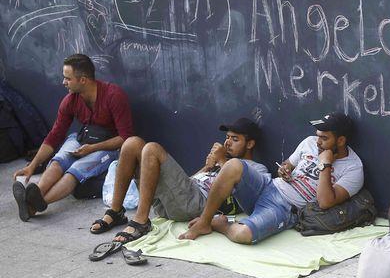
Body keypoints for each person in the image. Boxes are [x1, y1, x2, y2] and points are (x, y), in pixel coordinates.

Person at [178, 111, 363, 244]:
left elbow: (325, 202)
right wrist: (284, 170)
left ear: (340, 140)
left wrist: (326, 165)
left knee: (244, 234)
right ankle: (204, 221)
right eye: (318, 136)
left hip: (284, 207)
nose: (318, 142)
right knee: (233, 165)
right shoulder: (309, 143)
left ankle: (220, 224)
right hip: (268, 186)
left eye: (324, 138)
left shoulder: (354, 169)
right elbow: (287, 164)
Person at [91, 118, 268, 244]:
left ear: (250, 144)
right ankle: (116, 211)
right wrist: (206, 168)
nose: (228, 143)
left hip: (200, 204)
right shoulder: (222, 161)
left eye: (235, 139)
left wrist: (223, 162)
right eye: (227, 137)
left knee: (152, 148)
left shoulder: (257, 170)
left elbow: (245, 199)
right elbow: (189, 183)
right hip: (177, 201)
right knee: (132, 143)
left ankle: (141, 220)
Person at [11, 54, 133, 221]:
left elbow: (125, 138)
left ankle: (34, 204)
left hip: (108, 147)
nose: (63, 82)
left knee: (74, 172)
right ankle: (33, 198)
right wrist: (32, 166)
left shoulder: (113, 95)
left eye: (67, 78)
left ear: (83, 80)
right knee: (57, 162)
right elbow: (54, 135)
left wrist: (92, 148)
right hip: (82, 138)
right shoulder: (70, 101)